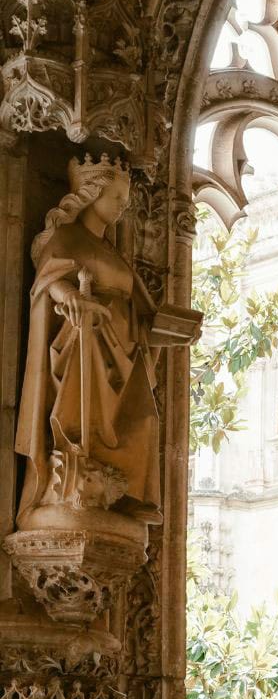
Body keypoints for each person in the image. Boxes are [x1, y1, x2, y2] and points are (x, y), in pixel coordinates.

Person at [15, 154, 161, 525]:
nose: (122, 206)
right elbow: (48, 281)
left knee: (146, 417)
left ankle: (131, 495)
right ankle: (73, 483)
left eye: (126, 200)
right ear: (91, 193)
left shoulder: (114, 252)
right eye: (115, 196)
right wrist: (72, 299)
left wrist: (164, 329)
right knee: (84, 421)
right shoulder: (67, 237)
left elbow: (140, 305)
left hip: (125, 347)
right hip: (86, 339)